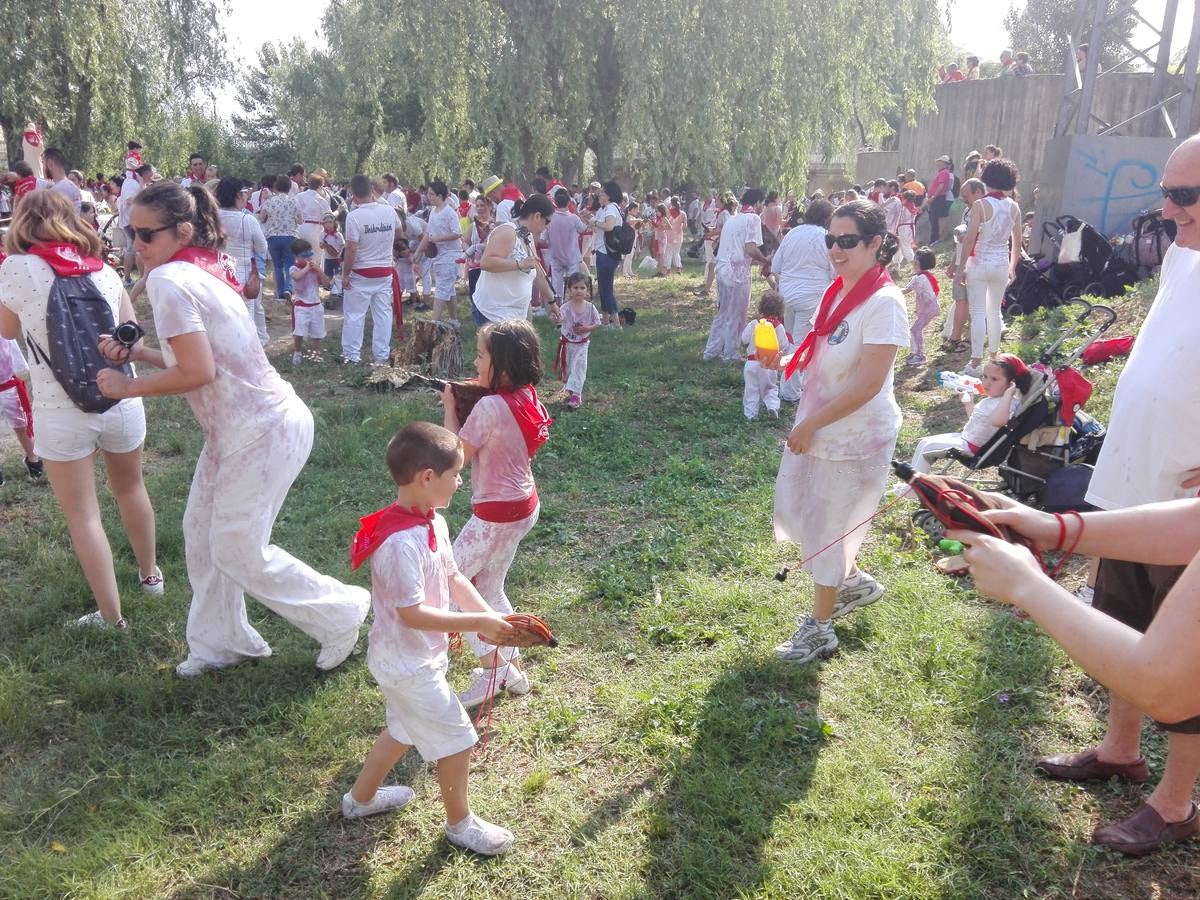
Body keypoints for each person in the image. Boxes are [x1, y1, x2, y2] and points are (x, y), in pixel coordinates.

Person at [953, 135, 1200, 856]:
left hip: (1184, 499)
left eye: (1184, 196)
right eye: (1166, 190)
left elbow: (1167, 673)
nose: (1166, 208)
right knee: (1119, 610)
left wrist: (1032, 581)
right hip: (1132, 477)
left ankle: (1176, 799)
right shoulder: (1183, 253)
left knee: (1174, 653)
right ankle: (1121, 747)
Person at [95, 181, 370, 675]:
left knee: (237, 548)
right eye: (129, 232)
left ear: (180, 231)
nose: (135, 244)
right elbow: (207, 362)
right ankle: (221, 643)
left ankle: (340, 612)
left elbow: (197, 373)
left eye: (145, 234)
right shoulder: (195, 271)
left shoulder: (170, 281)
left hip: (264, 428)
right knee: (200, 535)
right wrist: (139, 355)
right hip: (240, 430)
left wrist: (125, 387)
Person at [341, 421, 518, 855]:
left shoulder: (431, 522)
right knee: (458, 738)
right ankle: (460, 824)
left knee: (400, 729)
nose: (460, 482)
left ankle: (358, 801)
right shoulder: (400, 544)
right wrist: (475, 625)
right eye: (456, 474)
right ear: (426, 478)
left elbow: (455, 576)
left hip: (411, 659)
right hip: (407, 665)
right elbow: (412, 614)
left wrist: (487, 614)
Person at [0, 189, 161, 628]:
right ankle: (150, 575)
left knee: (83, 514)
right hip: (120, 398)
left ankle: (112, 619)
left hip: (59, 408)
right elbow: (133, 335)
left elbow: (8, 328)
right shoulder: (105, 271)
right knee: (131, 488)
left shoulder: (17, 268)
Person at [770, 200, 908, 663]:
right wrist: (784, 361)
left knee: (828, 524)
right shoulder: (836, 292)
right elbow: (821, 355)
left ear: (875, 244)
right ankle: (850, 580)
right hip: (821, 426)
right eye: (831, 239)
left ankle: (821, 628)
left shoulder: (884, 303)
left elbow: (870, 383)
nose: (835, 248)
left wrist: (811, 423)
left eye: (847, 241)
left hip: (855, 436)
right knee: (809, 514)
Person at [442, 320, 552, 709]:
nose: (475, 361)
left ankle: (497, 673)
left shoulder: (489, 405)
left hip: (495, 516)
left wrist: (449, 409)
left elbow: (453, 458)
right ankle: (512, 669)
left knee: (453, 590)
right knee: (488, 588)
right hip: (524, 506)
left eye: (481, 355)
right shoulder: (525, 394)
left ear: (502, 366)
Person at [903, 354, 1026, 476]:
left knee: (927, 447)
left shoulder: (1008, 403)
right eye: (985, 376)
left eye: (994, 379)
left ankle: (912, 486)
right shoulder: (993, 399)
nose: (987, 383)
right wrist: (968, 403)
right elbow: (979, 422)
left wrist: (1008, 395)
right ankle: (909, 484)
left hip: (975, 447)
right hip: (966, 439)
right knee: (924, 442)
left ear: (1011, 384)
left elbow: (997, 422)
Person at [958, 158, 1021, 376]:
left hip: (979, 263)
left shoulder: (980, 205)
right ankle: (994, 358)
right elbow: (1017, 242)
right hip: (1001, 263)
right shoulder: (1014, 207)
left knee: (977, 313)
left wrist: (960, 268)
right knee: (994, 312)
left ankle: (976, 362)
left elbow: (969, 239)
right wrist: (1013, 268)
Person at [702, 189, 771, 362]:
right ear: (757, 203)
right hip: (737, 272)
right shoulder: (753, 218)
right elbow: (750, 248)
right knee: (737, 314)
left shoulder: (732, 219)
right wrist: (765, 261)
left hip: (722, 268)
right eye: (762, 204)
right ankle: (731, 353)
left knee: (723, 312)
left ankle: (711, 351)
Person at [472, 194, 556, 326]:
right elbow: (486, 262)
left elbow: (537, 272)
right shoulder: (508, 231)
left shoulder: (527, 236)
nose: (548, 226)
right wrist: (520, 264)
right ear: (537, 216)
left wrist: (551, 302)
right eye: (548, 221)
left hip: (516, 315)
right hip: (494, 314)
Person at [340, 174, 398, 365]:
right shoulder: (388, 211)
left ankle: (351, 356)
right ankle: (381, 356)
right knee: (383, 314)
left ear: (354, 196)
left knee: (355, 315)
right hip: (384, 270)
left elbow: (351, 248)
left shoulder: (354, 216)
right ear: (372, 190)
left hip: (362, 272)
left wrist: (346, 274)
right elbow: (399, 231)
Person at [772, 198, 834, 344]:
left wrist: (784, 285)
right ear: (828, 218)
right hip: (812, 295)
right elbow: (835, 273)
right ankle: (791, 367)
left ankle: (783, 366)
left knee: (788, 338)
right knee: (801, 343)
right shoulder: (826, 237)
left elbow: (775, 266)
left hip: (786, 293)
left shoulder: (792, 233)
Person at [216, 177, 269, 346]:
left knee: (221, 320)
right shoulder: (248, 220)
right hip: (242, 278)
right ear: (239, 195)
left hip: (216, 275)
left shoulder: (212, 218)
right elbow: (262, 248)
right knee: (246, 320)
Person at [410, 180, 463, 323]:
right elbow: (428, 234)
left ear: (440, 196)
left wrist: (438, 238)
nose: (428, 196)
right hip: (439, 255)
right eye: (428, 193)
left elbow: (457, 233)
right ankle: (453, 320)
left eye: (432, 194)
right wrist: (418, 251)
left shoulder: (449, 212)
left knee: (442, 287)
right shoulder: (433, 212)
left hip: (451, 255)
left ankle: (433, 323)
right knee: (448, 288)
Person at [942, 177, 984, 351]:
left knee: (975, 303)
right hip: (962, 261)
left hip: (977, 262)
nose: (963, 198)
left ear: (978, 193)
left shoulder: (985, 212)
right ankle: (955, 337)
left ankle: (969, 340)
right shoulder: (966, 212)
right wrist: (954, 263)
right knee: (960, 300)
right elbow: (961, 241)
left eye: (966, 195)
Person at [553, 272, 601, 409]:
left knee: (579, 367)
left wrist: (587, 328)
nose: (579, 290)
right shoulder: (566, 307)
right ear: (569, 290)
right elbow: (560, 319)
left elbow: (597, 323)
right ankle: (570, 389)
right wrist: (556, 318)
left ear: (587, 290)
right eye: (575, 287)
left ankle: (576, 395)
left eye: (582, 288)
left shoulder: (591, 308)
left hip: (582, 344)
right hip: (567, 344)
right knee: (568, 368)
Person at [739, 291, 789, 420]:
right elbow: (784, 345)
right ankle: (772, 406)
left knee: (751, 389)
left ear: (761, 307)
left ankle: (750, 416)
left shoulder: (754, 324)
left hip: (751, 362)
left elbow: (744, 339)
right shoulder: (779, 327)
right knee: (770, 388)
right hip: (769, 364)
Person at [0, 336, 41, 484]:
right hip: (7, 383)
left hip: (8, 382)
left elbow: (11, 344)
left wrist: (21, 371)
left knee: (21, 424)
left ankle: (33, 459)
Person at [588, 181, 625, 328]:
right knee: (603, 287)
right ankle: (605, 320)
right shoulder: (604, 208)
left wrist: (595, 222)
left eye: (602, 192)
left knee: (607, 288)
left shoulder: (610, 208)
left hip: (607, 252)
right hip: (602, 250)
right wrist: (590, 220)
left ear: (609, 196)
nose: (599, 194)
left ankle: (616, 324)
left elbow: (609, 226)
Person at [258, 174, 301, 300]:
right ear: (289, 187)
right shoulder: (294, 201)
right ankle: (288, 288)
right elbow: (300, 220)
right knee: (289, 264)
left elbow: (262, 218)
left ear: (276, 187)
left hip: (273, 236)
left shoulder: (270, 201)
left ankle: (280, 292)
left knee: (277, 266)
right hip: (290, 236)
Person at [288, 238, 330, 365]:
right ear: (296, 256)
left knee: (317, 333)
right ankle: (298, 352)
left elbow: (326, 283)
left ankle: (316, 354)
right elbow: (296, 277)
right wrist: (307, 267)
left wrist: (319, 270)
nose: (308, 258)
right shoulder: (294, 268)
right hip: (301, 306)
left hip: (316, 304)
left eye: (309, 254)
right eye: (304, 256)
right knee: (299, 332)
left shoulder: (315, 268)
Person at [545, 188, 588, 298]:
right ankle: (572, 304)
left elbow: (544, 238)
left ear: (555, 202)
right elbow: (583, 229)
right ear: (569, 203)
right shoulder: (573, 218)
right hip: (572, 256)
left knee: (556, 285)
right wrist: (583, 219)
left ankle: (558, 308)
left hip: (555, 256)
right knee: (574, 283)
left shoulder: (550, 218)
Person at [903, 247, 941, 366]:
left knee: (915, 330)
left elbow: (906, 290)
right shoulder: (926, 276)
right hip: (931, 308)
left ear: (918, 263)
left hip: (928, 309)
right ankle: (915, 353)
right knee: (915, 330)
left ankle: (919, 355)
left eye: (914, 262)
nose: (913, 264)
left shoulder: (919, 279)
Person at [464, 197, 495, 300]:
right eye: (477, 206)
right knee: (475, 299)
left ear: (490, 207)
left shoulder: (495, 225)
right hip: (475, 268)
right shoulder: (473, 226)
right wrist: (469, 251)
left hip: (491, 268)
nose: (480, 208)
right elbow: (464, 241)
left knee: (490, 299)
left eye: (482, 205)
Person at [921, 156, 953, 243]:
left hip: (938, 198)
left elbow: (941, 186)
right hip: (936, 198)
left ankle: (934, 239)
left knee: (935, 218)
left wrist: (933, 197)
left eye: (940, 162)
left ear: (944, 163)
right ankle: (934, 239)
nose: (938, 164)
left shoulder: (944, 172)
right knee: (933, 218)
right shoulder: (941, 172)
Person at [319, 213, 345, 304]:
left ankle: (338, 291)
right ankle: (331, 290)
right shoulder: (322, 234)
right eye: (325, 222)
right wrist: (324, 246)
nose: (328, 224)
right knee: (328, 275)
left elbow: (342, 245)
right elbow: (321, 245)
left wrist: (339, 253)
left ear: (334, 223)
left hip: (337, 258)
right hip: (328, 258)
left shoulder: (338, 234)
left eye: (330, 222)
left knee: (338, 274)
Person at [664, 197, 687, 274]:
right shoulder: (683, 214)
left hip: (669, 235)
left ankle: (668, 269)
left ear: (671, 203)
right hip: (678, 235)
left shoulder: (668, 212)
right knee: (676, 252)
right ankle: (678, 268)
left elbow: (665, 222)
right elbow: (684, 227)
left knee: (669, 252)